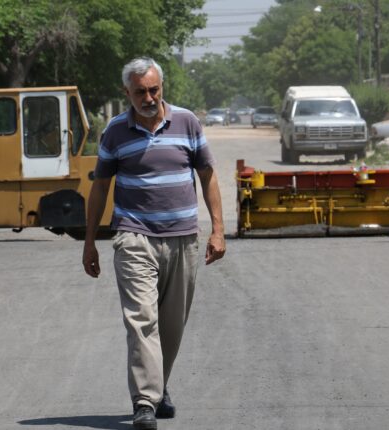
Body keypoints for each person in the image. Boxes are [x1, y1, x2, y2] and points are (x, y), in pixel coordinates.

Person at [82, 57, 226, 430]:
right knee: (141, 320)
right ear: (126, 92)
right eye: (140, 92)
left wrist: (218, 229)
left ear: (162, 88)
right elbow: (100, 187)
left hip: (182, 237)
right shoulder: (115, 131)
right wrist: (89, 241)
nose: (148, 98)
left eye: (153, 90)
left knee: (172, 325)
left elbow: (207, 175)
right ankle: (145, 401)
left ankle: (158, 387)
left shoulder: (187, 122)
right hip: (134, 236)